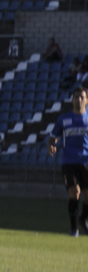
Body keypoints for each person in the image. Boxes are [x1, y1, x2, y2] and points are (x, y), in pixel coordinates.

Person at [47, 87, 88, 236]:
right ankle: (73, 229)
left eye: (82, 97)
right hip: (69, 161)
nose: (79, 100)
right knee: (74, 192)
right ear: (72, 100)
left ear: (87, 100)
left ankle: (83, 219)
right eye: (76, 97)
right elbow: (53, 137)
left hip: (86, 161)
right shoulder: (63, 119)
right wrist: (51, 145)